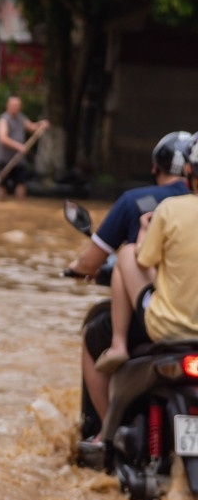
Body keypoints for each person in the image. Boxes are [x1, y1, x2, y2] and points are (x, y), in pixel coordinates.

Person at [78, 135, 195, 410]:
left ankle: (105, 433)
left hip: (165, 325)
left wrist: (143, 231)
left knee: (127, 254)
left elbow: (141, 258)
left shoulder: (159, 207)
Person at [0, 95, 50, 199]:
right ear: (8, 106)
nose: (16, 108)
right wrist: (18, 146)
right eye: (14, 105)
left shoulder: (21, 118)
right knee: (3, 186)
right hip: (5, 159)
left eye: (18, 105)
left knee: (21, 184)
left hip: (19, 160)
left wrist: (41, 124)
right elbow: (2, 138)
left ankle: (20, 205)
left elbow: (32, 127)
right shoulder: (4, 119)